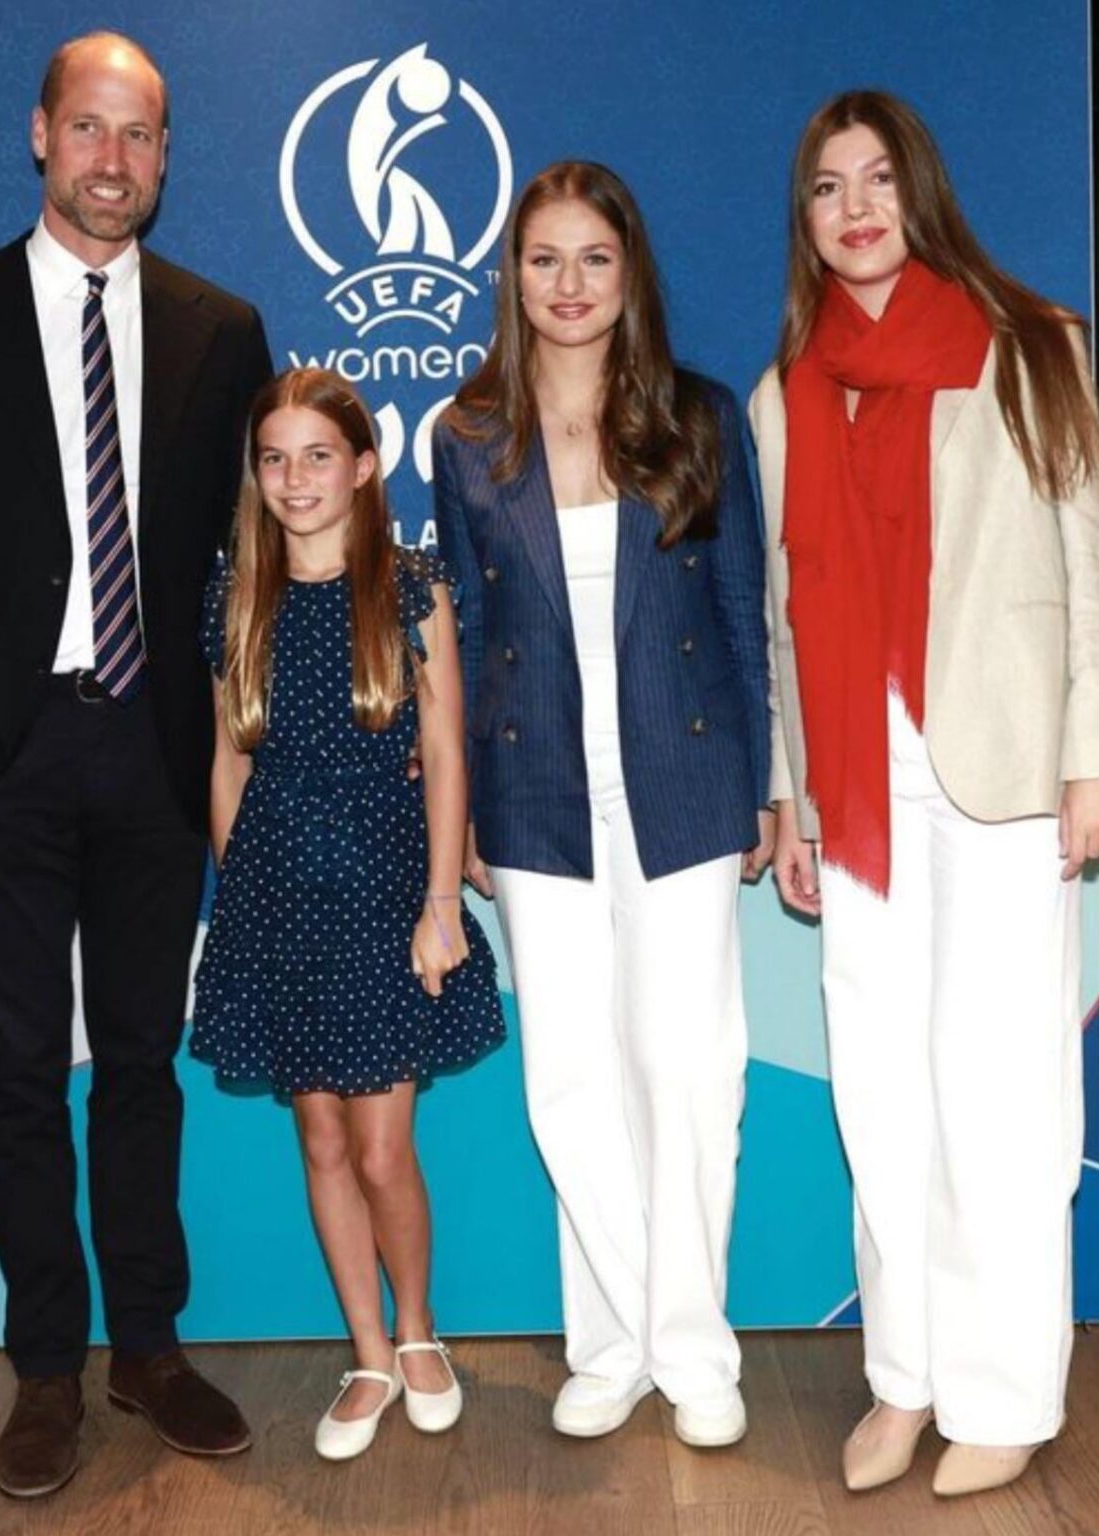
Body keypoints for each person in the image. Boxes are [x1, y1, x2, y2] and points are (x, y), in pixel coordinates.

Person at [0, 32, 272, 1497]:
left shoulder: (219, 327)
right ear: (40, 137)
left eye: (140, 135)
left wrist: (239, 722)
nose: (112, 158)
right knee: (11, 1077)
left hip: (153, 747)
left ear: (166, 155)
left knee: (139, 1065)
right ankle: (45, 1368)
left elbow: (250, 554)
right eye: (87, 129)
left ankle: (150, 1346)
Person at [750, 90, 1099, 1497]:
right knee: (884, 1091)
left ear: (920, 193)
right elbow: (784, 610)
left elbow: (1089, 563)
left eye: (877, 179)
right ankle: (901, 1373)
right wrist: (788, 793)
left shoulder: (1030, 347)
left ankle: (1004, 1388)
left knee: (1003, 1087)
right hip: (854, 774)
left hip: (1004, 771)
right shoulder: (790, 387)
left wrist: (1095, 753)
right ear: (804, 221)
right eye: (826, 187)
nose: (852, 206)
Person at [433, 162, 773, 1448]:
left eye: (593, 259)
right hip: (532, 791)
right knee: (569, 1075)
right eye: (542, 259)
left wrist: (766, 787)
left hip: (685, 778)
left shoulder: (699, 417)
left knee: (686, 1068)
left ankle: (692, 1349)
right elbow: (456, 636)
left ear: (630, 277)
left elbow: (742, 608)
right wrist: (453, 809)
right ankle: (613, 1342)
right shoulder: (466, 440)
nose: (567, 285)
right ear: (511, 277)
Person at [191, 368, 505, 1462]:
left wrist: (439, 906)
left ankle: (422, 1333)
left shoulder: (410, 588)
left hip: (387, 897)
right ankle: (367, 1351)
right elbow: (227, 764)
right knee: (319, 1137)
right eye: (274, 458)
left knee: (381, 1149)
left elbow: (448, 750)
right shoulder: (235, 591)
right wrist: (241, 905)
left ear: (364, 466)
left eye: (317, 455)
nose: (294, 478)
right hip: (276, 901)